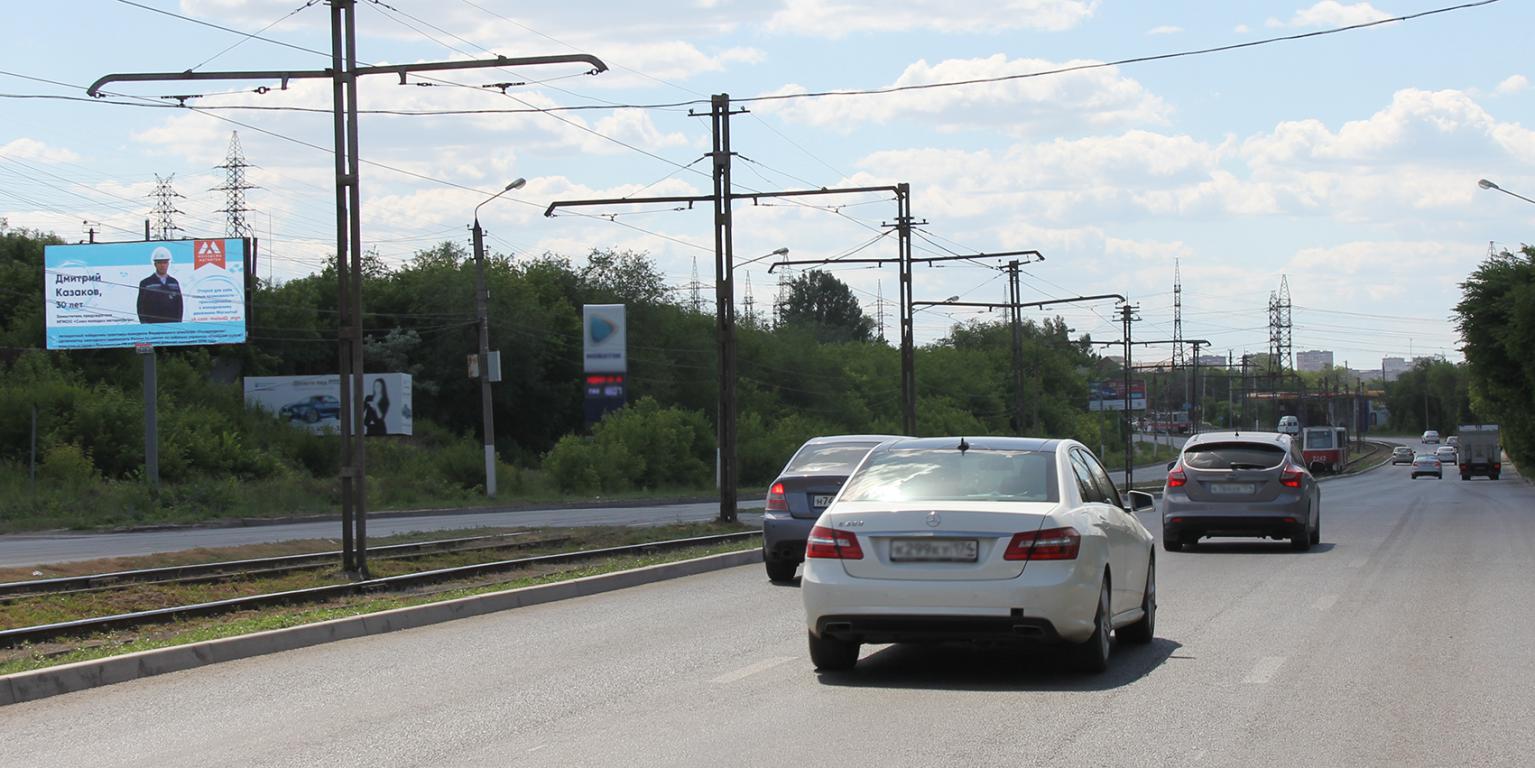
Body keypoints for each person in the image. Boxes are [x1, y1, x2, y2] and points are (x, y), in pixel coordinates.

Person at [136, 247, 184, 323]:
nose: (162, 265)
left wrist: (178, 324)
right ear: (155, 264)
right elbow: (140, 307)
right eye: (160, 263)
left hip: (171, 325)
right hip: (153, 325)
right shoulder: (146, 283)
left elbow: (179, 305)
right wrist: (145, 324)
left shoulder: (174, 282)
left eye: (165, 262)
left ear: (168, 264)